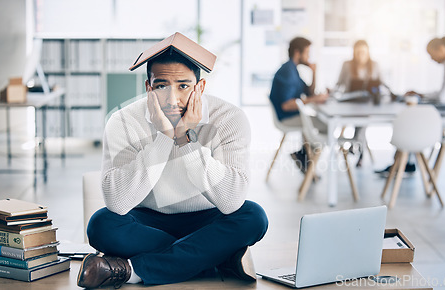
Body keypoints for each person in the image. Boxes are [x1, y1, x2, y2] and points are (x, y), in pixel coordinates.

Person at [77, 33, 268, 288]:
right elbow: (118, 202)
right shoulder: (122, 121)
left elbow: (231, 200)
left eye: (183, 86)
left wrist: (186, 138)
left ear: (200, 87)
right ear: (149, 87)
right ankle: (215, 257)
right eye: (161, 86)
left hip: (208, 218)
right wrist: (165, 137)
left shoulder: (229, 119)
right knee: (101, 225)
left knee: (253, 217)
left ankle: (131, 270)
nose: (172, 99)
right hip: (148, 220)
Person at [376, 36, 445, 177]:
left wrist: (420, 96)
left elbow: (443, 97)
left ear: (441, 49)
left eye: (432, 55)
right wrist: (420, 95)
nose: (432, 59)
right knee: (412, 117)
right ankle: (405, 162)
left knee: (412, 119)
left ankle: (406, 163)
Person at [269, 37, 329, 173]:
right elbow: (286, 105)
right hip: (285, 117)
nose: (309, 57)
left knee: (316, 123)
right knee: (325, 125)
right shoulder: (288, 72)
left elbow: (309, 92)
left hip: (292, 115)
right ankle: (304, 156)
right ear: (298, 53)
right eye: (307, 53)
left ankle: (304, 154)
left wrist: (314, 72)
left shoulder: (293, 69)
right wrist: (314, 99)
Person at [335, 40, 382, 167]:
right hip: (349, 102)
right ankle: (357, 147)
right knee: (362, 122)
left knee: (362, 121)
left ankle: (356, 146)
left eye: (363, 52)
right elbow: (339, 84)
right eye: (358, 52)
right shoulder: (347, 65)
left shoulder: (375, 66)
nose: (361, 55)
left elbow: (380, 85)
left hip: (368, 104)